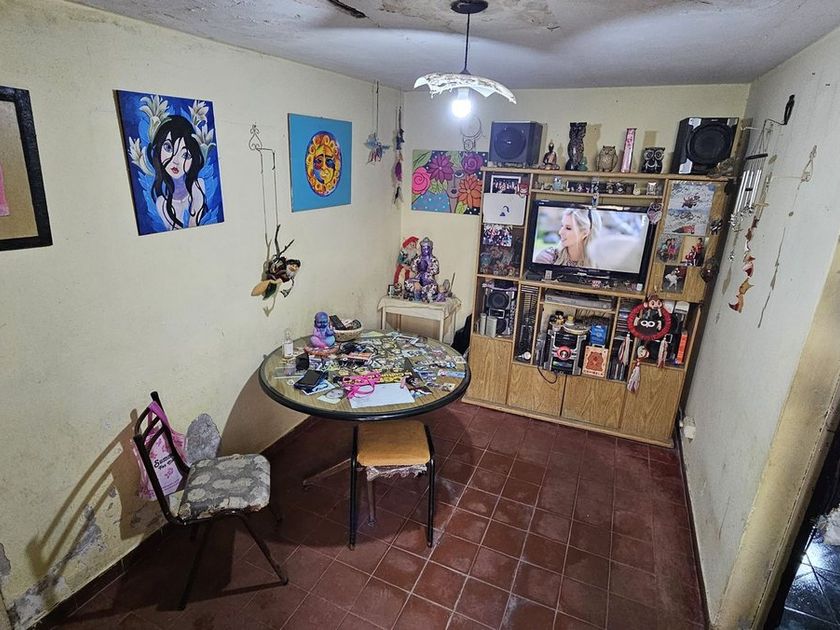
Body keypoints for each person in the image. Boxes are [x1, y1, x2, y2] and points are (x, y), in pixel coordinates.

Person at [148, 115, 208, 230]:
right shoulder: (161, 203)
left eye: (185, 155)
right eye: (168, 148)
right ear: (158, 147)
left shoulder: (198, 186)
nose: (176, 161)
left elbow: (194, 226)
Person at [534, 207, 600, 267]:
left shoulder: (600, 264)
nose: (560, 232)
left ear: (584, 233)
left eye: (568, 228)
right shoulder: (546, 259)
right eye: (562, 225)